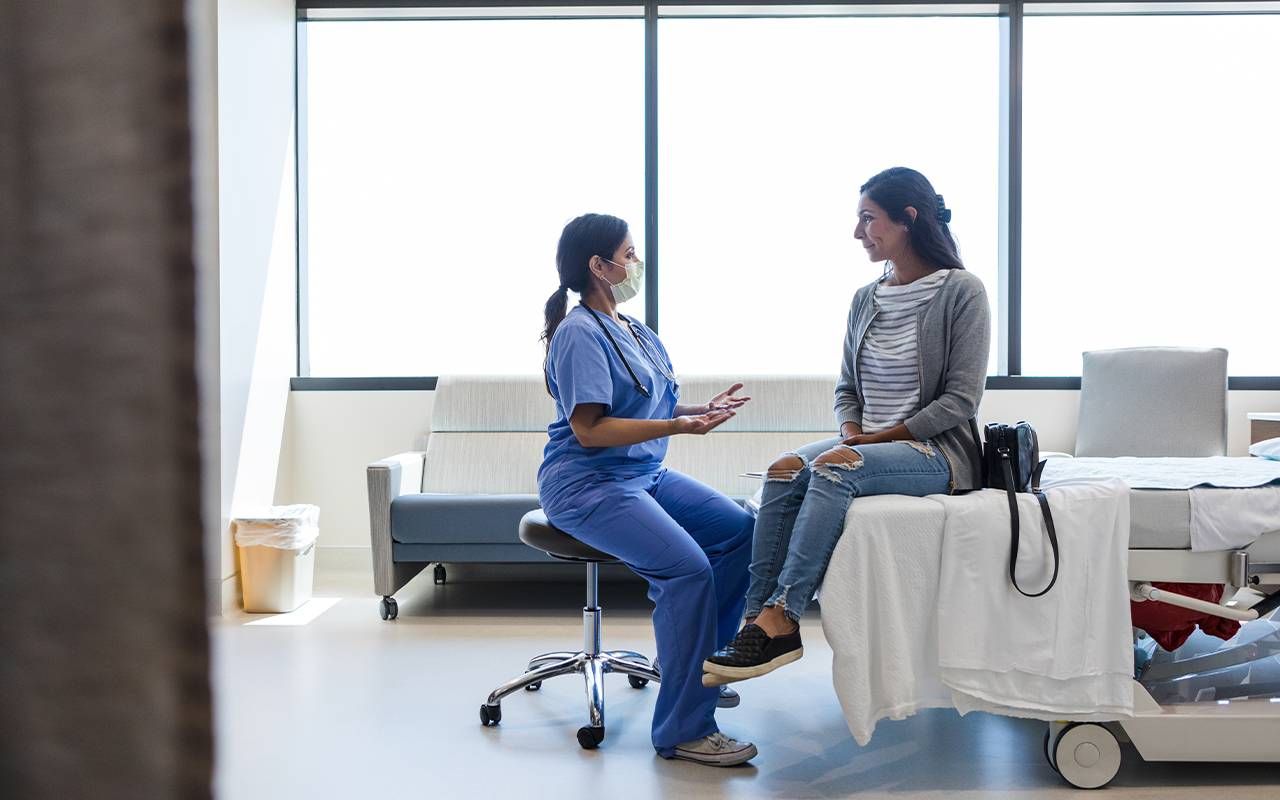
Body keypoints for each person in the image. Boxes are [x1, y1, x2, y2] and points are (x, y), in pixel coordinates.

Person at [703, 167, 992, 685]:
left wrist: (870, 441)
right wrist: (852, 427)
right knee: (784, 469)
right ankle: (756, 622)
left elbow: (960, 401)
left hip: (936, 452)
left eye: (868, 219)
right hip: (867, 441)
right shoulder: (866, 298)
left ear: (909, 219)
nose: (859, 233)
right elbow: (846, 388)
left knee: (836, 469)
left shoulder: (962, 292)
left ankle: (785, 615)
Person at [538, 213, 757, 766]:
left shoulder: (634, 329)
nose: (636, 264)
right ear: (599, 266)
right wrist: (677, 428)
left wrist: (697, 410)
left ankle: (697, 669)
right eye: (629, 254)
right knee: (688, 570)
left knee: (741, 533)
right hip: (588, 484)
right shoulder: (579, 333)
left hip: (642, 475)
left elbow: (648, 404)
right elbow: (590, 430)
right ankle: (684, 729)